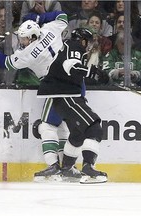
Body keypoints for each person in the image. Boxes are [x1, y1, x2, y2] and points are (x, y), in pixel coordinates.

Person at [0, 11, 70, 182]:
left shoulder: (28, 54)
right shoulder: (49, 30)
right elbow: (62, 16)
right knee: (62, 127)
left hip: (56, 85)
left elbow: (6, 63)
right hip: (74, 82)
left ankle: (54, 167)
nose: (21, 42)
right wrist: (41, 18)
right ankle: (68, 167)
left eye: (24, 39)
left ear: (32, 37)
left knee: (47, 126)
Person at [37, 28, 109, 183]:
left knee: (78, 134)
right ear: (82, 39)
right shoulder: (74, 46)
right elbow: (71, 65)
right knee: (94, 128)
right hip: (66, 96)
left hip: (64, 96)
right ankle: (88, 169)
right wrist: (91, 73)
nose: (89, 45)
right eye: (88, 41)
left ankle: (67, 168)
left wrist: (89, 73)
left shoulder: (67, 47)